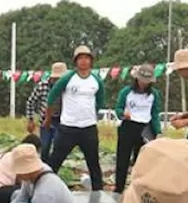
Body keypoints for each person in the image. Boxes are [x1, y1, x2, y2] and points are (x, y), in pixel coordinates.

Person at [45, 46, 105, 190]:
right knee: (55, 161)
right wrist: (48, 117)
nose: (84, 61)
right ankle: (43, 189)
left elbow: (100, 100)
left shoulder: (96, 80)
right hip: (68, 127)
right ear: (76, 61)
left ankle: (99, 194)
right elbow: (52, 96)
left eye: (87, 58)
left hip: (88, 128)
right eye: (80, 58)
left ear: (91, 61)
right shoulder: (68, 78)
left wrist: (91, 115)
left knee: (93, 164)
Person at [113, 64, 163, 193]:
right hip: (128, 126)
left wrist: (158, 131)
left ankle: (138, 188)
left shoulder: (154, 94)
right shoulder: (126, 92)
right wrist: (123, 114)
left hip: (145, 128)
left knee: (141, 161)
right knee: (122, 159)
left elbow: (154, 114)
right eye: (142, 81)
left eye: (147, 82)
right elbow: (118, 108)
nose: (144, 84)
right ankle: (119, 188)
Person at [26, 62, 67, 164]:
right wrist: (31, 120)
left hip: (61, 120)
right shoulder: (42, 86)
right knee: (44, 147)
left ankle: (53, 168)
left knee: (58, 147)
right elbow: (30, 102)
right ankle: (44, 167)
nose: (58, 81)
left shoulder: (67, 87)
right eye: (56, 79)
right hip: (45, 121)